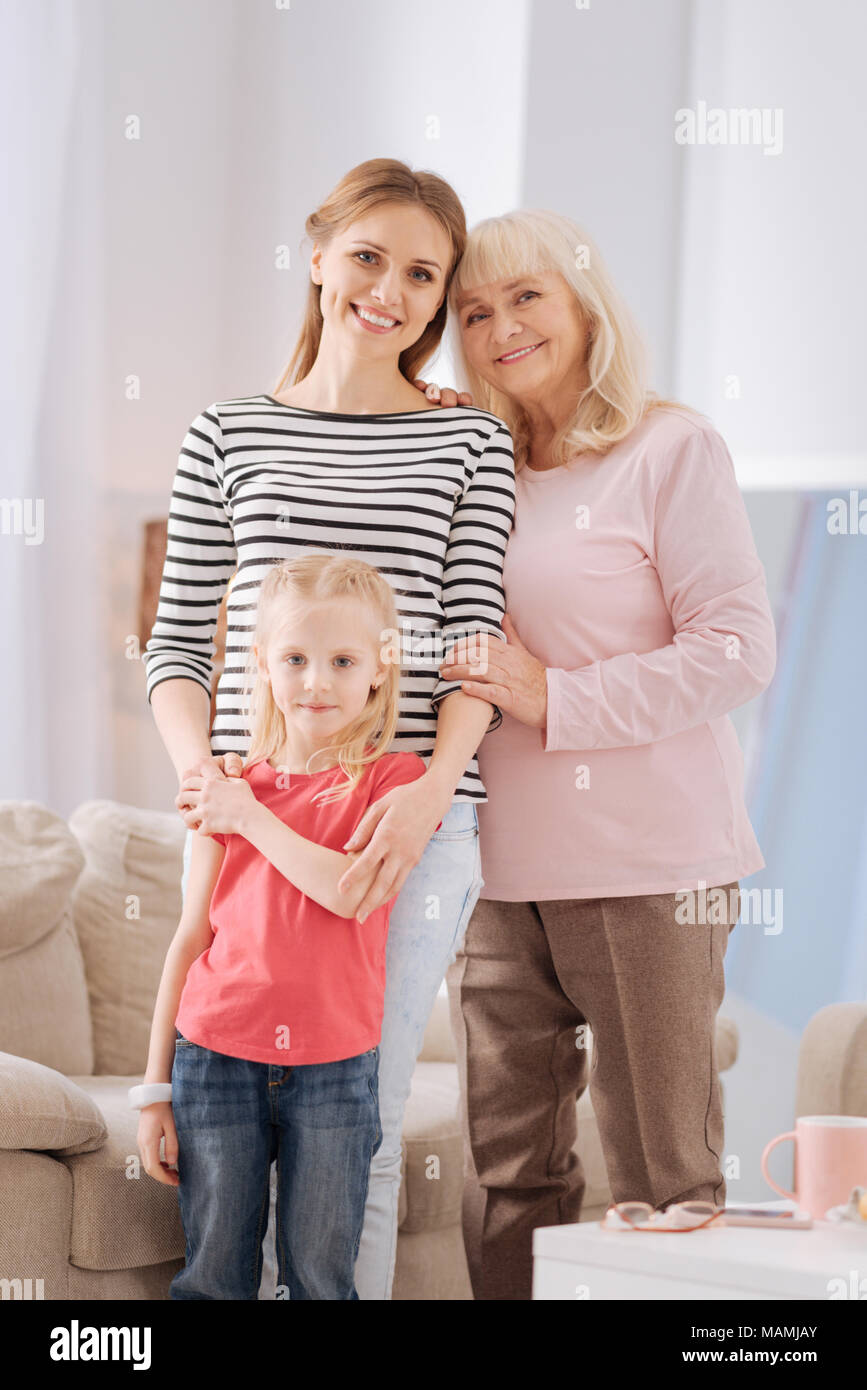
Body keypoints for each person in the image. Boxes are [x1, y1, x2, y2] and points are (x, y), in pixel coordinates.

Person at [141, 158, 516, 1299]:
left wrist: (427, 793)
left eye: (420, 274)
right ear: (318, 260)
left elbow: (474, 650)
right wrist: (211, 784)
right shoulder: (227, 430)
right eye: (367, 258)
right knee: (238, 1147)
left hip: (416, 829)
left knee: (361, 1130)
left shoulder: (469, 443)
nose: (387, 292)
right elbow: (176, 649)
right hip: (253, 821)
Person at [403, 208, 777, 1299]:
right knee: (508, 1175)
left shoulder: (670, 447)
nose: (503, 326)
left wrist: (551, 693)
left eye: (528, 297)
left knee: (666, 1176)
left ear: (583, 304)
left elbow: (738, 651)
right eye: (474, 311)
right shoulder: (474, 465)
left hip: (651, 868)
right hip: (496, 868)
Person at [134, 553, 444, 1299]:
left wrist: (250, 817)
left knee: (319, 1277)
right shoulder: (226, 787)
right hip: (215, 1057)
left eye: (342, 660)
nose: (316, 681)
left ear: (378, 670)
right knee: (212, 1276)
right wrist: (154, 1089)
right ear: (263, 667)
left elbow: (347, 894)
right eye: (296, 659)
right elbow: (189, 939)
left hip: (336, 1069)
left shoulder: (393, 782)